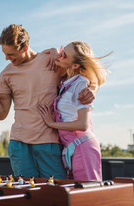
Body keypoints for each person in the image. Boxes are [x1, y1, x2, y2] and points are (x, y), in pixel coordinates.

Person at [0, 24, 96, 179]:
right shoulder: (6, 74)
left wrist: (92, 88)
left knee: (55, 194)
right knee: (27, 197)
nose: (7, 59)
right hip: (18, 144)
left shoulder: (51, 60)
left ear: (25, 48)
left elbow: (82, 71)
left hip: (49, 143)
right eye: (4, 54)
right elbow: (1, 113)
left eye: (11, 54)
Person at [37, 41, 110, 181]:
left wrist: (51, 123)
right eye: (61, 50)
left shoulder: (81, 83)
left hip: (83, 148)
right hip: (73, 150)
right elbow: (37, 55)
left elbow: (82, 125)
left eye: (64, 55)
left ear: (75, 65)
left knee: (88, 196)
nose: (59, 55)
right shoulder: (68, 82)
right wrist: (53, 50)